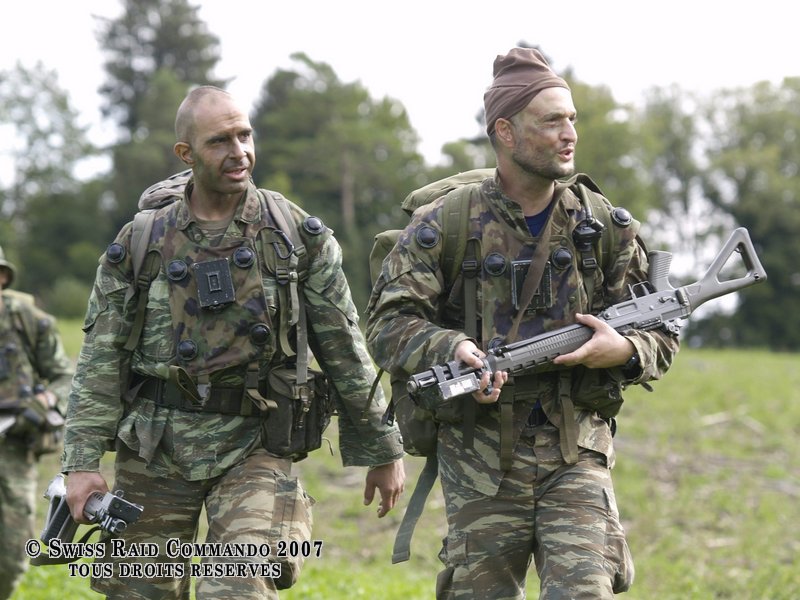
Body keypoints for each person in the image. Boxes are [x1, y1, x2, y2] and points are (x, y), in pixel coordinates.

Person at [62, 85, 405, 599]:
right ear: (186, 153)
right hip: (155, 446)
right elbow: (101, 357)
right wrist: (81, 462)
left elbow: (343, 347)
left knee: (237, 588)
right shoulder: (139, 242)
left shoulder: (295, 236)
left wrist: (383, 447)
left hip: (257, 442)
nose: (239, 151)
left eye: (245, 135)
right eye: (220, 141)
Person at [366, 48, 680, 599]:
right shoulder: (445, 224)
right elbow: (387, 323)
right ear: (506, 132)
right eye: (551, 121)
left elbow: (661, 329)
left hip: (576, 451)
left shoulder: (603, 226)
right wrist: (450, 346)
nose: (569, 134)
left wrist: (625, 351)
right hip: (479, 456)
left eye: (572, 119)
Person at [0, 244, 73, 599]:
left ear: (2, 277)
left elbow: (65, 377)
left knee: (11, 551)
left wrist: (42, 402)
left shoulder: (28, 321)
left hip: (12, 449)